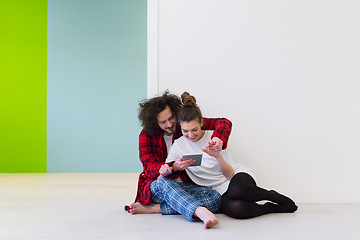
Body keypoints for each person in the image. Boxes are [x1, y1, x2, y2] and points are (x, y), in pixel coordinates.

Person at [162, 92, 298, 219]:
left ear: (202, 123)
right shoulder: (178, 145)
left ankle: (272, 196)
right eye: (185, 131)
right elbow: (165, 171)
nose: (190, 135)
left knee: (237, 190)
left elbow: (229, 174)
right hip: (216, 190)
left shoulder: (214, 138)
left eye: (194, 129)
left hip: (235, 176)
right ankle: (270, 208)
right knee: (236, 209)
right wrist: (175, 167)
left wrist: (217, 156)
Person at [126, 90, 233, 228]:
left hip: (184, 185)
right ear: (154, 122)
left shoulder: (184, 126)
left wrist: (217, 138)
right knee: (163, 182)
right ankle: (200, 212)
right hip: (158, 186)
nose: (170, 124)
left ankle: (156, 209)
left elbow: (223, 122)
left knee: (215, 198)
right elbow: (148, 167)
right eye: (163, 122)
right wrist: (171, 167)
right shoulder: (146, 136)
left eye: (171, 118)